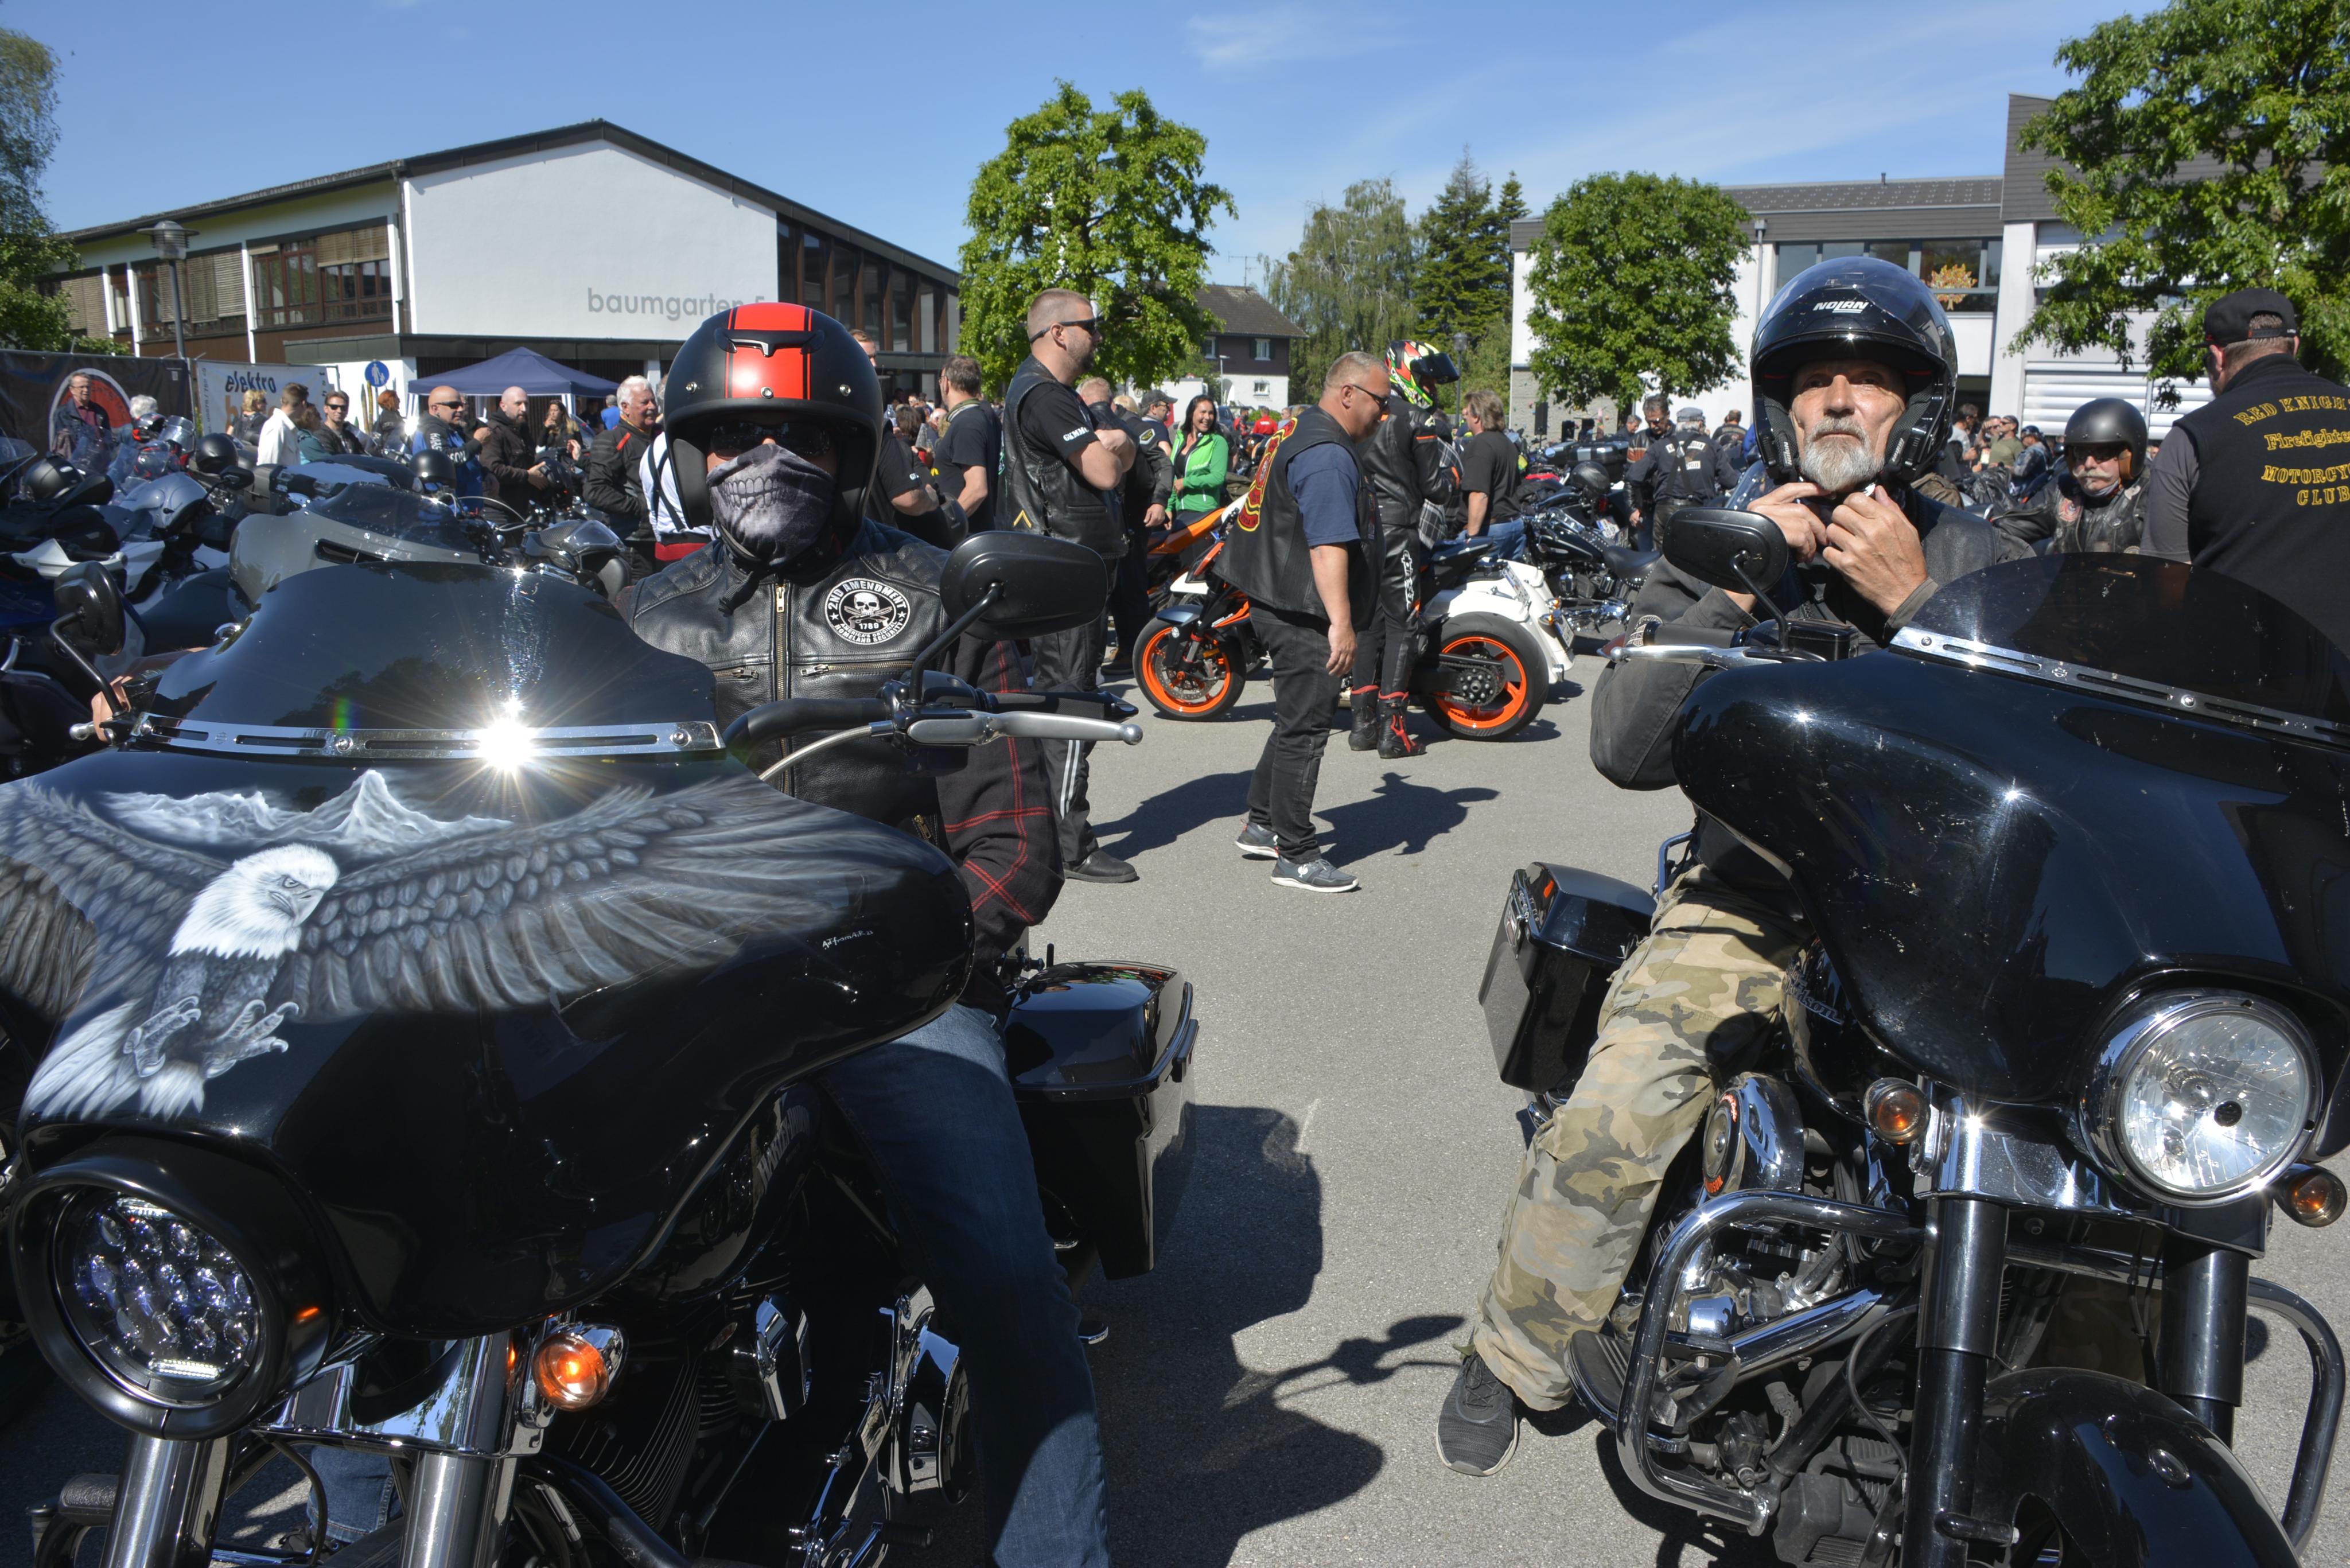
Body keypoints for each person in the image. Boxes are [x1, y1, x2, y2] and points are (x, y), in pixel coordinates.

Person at [1437, 255, 2007, 1476]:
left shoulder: (1984, 558)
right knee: (1621, 1097)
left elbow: (2054, 745)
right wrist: (1734, 586)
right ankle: (1511, 1350)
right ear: (1776, 407)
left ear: (1919, 406)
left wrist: (1916, 602)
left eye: (1868, 378)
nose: (1838, 399)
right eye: (1814, 381)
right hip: (1752, 901)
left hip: (1940, 917)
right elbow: (1623, 744)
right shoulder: (1716, 541)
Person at [618, 302, 1109, 1568]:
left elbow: (1013, 844)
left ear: (851, 451)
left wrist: (918, 966)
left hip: (890, 994)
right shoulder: (641, 617)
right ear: (690, 454)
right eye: (734, 439)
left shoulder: (940, 598)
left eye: (799, 437)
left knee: (1006, 1282)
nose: (764, 463)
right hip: (684, 985)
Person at [1221, 353, 1386, 894]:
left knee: (1293, 718)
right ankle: (1295, 854)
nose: (1384, 414)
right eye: (1380, 402)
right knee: (1307, 729)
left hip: (1279, 598)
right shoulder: (1327, 453)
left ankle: (1262, 824)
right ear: (1348, 394)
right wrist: (1342, 623)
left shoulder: (1298, 430)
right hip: (1303, 609)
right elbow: (1327, 545)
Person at [997, 288, 1138, 885]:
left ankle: (1051, 831)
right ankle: (1068, 844)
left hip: (1063, 562)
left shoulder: (1041, 391)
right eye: (1090, 326)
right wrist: (1120, 446)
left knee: (1062, 697)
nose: (1097, 336)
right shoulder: (1048, 396)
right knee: (1071, 702)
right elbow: (1105, 469)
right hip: (1065, 566)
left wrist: (1117, 446)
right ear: (1058, 332)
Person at [2143, 287, 2350, 649]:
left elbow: (2166, 582)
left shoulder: (2191, 438)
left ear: (2217, 356)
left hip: (2241, 665)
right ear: (2295, 345)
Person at [1348, 343, 1458, 758]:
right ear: (1406, 373)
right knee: (1403, 626)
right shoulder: (1417, 419)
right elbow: (1437, 489)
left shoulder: (1361, 415)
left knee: (1368, 625)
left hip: (1363, 531)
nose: (1432, 387)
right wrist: (1452, 474)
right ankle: (1393, 731)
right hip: (1399, 533)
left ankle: (1362, 726)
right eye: (1427, 379)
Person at [1079, 375, 1169, 679]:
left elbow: (1162, 463)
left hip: (1134, 517)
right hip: (1111, 518)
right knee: (1114, 588)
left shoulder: (1134, 426)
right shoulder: (1089, 422)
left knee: (1130, 585)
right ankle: (1124, 649)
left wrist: (1160, 501)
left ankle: (1135, 652)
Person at [1991, 398, 2150, 555]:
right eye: (2080, 454)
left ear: (2127, 456)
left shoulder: (2151, 495)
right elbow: (2011, 527)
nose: (2089, 464)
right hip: (2070, 573)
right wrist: (1984, 539)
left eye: (2102, 454)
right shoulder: (2063, 490)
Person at [1626, 403, 1741, 539]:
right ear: (1700, 424)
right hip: (1699, 512)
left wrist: (1654, 482)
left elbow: (1634, 475)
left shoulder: (1661, 445)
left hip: (1665, 511)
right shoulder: (1712, 446)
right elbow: (1730, 481)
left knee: (1662, 552)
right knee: (1696, 551)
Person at [588, 375, 657, 565]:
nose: (652, 406)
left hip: (666, 538)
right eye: (645, 402)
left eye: (653, 401)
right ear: (625, 407)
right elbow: (595, 492)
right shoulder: (611, 440)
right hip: (634, 542)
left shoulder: (663, 435)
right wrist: (641, 506)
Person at [932, 355, 1001, 532]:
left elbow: (977, 489)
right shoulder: (978, 417)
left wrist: (946, 527)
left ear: (946, 383)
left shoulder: (967, 424)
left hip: (966, 536)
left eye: (940, 381)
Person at [1457, 388, 1526, 557]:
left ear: (1477, 417)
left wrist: (1472, 539)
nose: (1465, 415)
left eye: (1468, 412)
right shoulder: (1508, 444)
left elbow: (1479, 494)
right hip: (1514, 525)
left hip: (1490, 530)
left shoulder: (1481, 444)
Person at [480, 385, 550, 505]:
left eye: (526, 404)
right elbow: (493, 469)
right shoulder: (493, 431)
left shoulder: (522, 430)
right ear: (503, 406)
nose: (524, 409)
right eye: (518, 404)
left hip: (523, 503)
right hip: (499, 506)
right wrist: (527, 475)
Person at [413, 384, 486, 498]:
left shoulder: (450, 428)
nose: (460, 409)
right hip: (451, 504)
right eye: (454, 406)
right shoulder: (433, 430)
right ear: (435, 409)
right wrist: (477, 442)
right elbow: (445, 459)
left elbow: (466, 461)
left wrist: (486, 474)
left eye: (461, 405)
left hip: (467, 502)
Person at [1169, 395, 1231, 525]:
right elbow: (1175, 477)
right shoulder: (1180, 439)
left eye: (1211, 413)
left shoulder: (1217, 442)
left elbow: (1218, 478)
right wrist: (1169, 507)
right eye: (1203, 412)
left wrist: (1187, 482)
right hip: (1180, 512)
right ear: (1191, 413)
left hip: (1204, 512)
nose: (1207, 417)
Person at [50, 372, 112, 469]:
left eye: (88, 387)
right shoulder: (63, 413)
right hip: (74, 465)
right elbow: (61, 444)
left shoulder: (100, 412)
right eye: (81, 387)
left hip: (97, 465)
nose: (86, 390)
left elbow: (108, 439)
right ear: (72, 390)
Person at [255, 384, 307, 467]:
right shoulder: (277, 427)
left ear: (282, 400)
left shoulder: (288, 427)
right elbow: (267, 468)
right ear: (303, 404)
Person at [317, 390, 361, 455]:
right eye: (334, 407)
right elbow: (331, 458)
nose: (339, 411)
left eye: (343, 408)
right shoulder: (321, 435)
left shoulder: (350, 436)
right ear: (326, 409)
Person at [369, 390, 405, 456]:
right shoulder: (389, 418)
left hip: (393, 454)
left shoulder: (388, 416)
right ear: (391, 401)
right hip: (392, 455)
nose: (399, 401)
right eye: (397, 399)